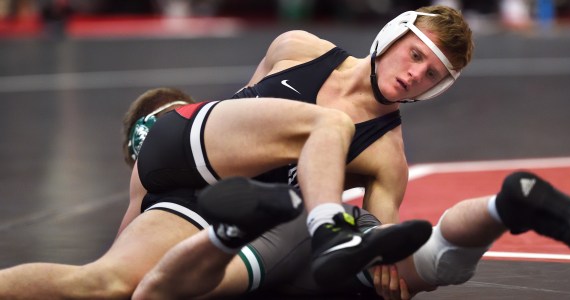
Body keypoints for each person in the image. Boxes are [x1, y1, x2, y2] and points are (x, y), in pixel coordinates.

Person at [0, 4, 473, 299]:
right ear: (393, 35)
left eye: (432, 74)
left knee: (105, 285)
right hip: (190, 142)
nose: (416, 74)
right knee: (331, 123)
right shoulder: (300, 46)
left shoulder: (388, 157)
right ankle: (328, 225)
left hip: (206, 204)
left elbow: (381, 235)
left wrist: (387, 267)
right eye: (415, 55)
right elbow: (240, 108)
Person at [131, 168, 570, 299]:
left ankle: (233, 231)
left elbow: (126, 263)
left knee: (154, 292)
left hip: (272, 232)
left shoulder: (157, 175)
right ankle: (506, 205)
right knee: (439, 260)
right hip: (333, 220)